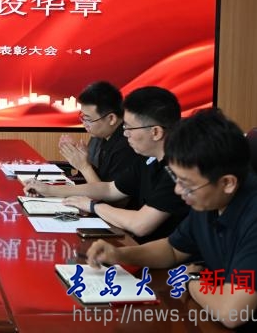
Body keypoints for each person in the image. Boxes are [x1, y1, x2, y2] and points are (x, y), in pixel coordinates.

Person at [86, 108, 257, 331]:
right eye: (175, 178)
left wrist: (191, 281)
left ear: (227, 183)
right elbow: (172, 250)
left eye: (186, 184)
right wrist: (121, 255)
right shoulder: (210, 197)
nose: (179, 190)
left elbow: (232, 312)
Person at [24, 86, 189, 242]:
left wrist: (93, 206)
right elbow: (109, 189)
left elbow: (140, 225)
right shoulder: (148, 159)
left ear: (156, 132)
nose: (125, 134)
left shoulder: (178, 170)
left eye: (129, 128)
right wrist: (49, 190)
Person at [58, 81, 145, 186]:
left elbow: (108, 194)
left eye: (88, 119)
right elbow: (100, 178)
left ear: (111, 118)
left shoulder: (127, 145)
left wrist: (84, 166)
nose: (84, 124)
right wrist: (82, 160)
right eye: (83, 117)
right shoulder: (100, 136)